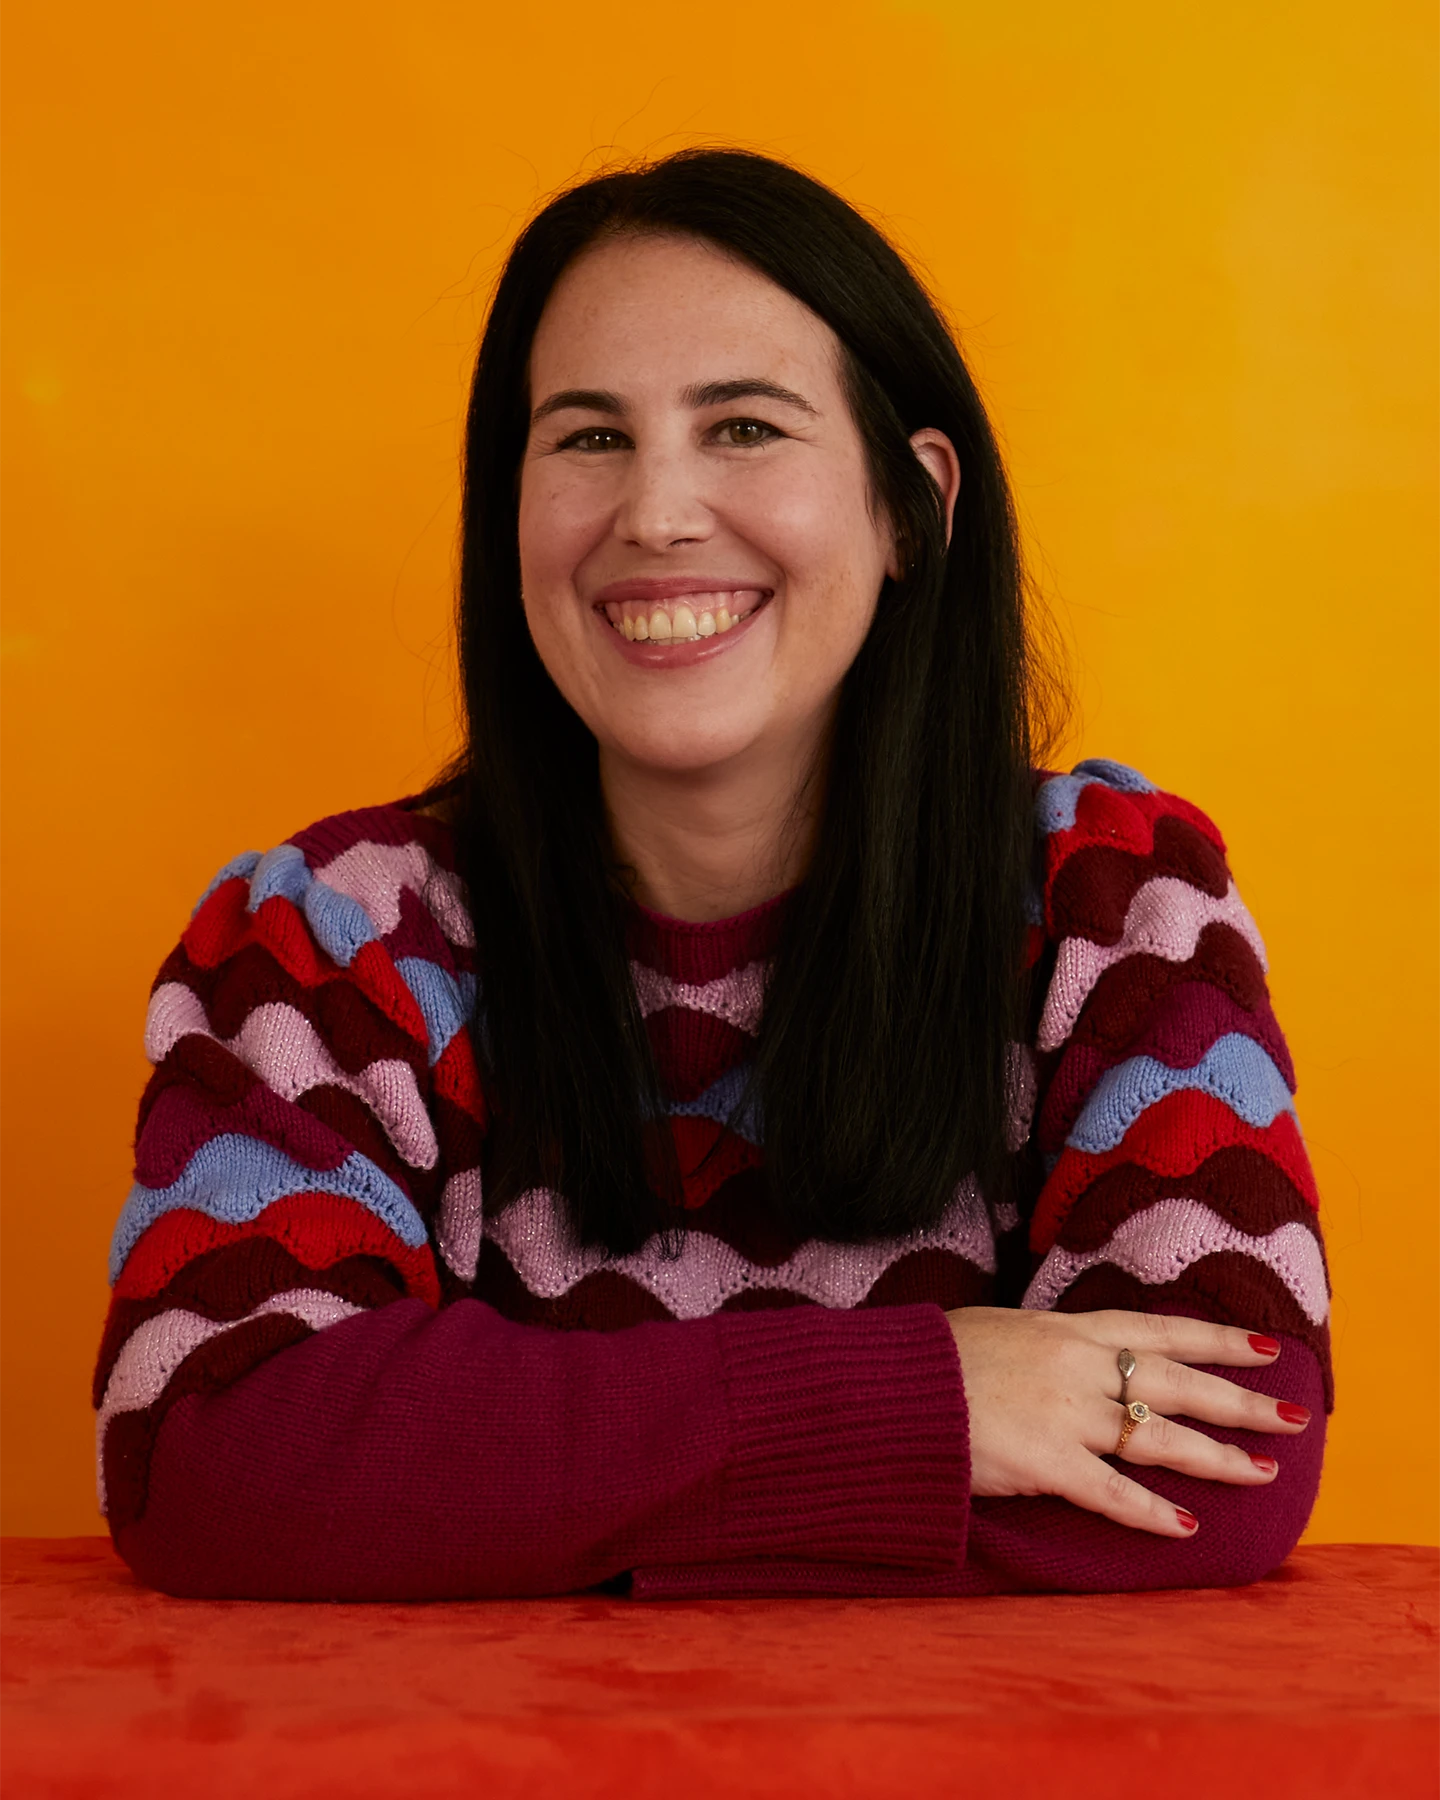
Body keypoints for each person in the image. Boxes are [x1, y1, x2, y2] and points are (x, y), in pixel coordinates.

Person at [95, 149, 1328, 1600]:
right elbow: (213, 1456)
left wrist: (495, 1482)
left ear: (909, 508)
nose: (658, 514)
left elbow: (1222, 1467)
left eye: (743, 426)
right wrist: (933, 1403)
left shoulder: (1119, 905)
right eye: (587, 440)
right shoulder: (322, 940)